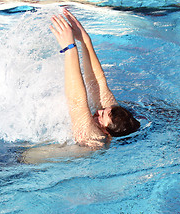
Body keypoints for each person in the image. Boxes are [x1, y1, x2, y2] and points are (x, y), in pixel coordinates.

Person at [50, 8, 140, 149]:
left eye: (100, 116)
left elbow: (76, 102)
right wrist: (85, 39)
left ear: (106, 132)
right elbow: (98, 83)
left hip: (25, 162)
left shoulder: (94, 137)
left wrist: (69, 49)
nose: (98, 111)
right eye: (103, 111)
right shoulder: (113, 118)